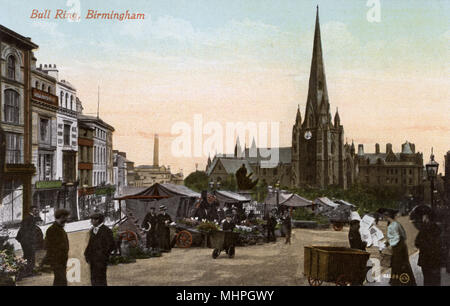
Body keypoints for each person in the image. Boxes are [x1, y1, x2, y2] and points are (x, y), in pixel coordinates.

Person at [382, 209, 416, 286]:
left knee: (397, 264)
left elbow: (396, 237)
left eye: (385, 216)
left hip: (398, 247)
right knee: (403, 263)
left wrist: (390, 243)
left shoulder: (393, 225)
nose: (384, 218)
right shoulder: (396, 224)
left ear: (388, 217)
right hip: (401, 246)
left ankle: (397, 282)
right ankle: (407, 281)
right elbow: (403, 235)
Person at [84, 212, 115, 286]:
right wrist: (87, 254)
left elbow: (111, 245)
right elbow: (90, 244)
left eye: (92, 219)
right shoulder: (92, 231)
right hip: (93, 260)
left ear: (97, 220)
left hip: (101, 260)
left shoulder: (106, 230)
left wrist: (103, 255)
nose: (91, 221)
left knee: (101, 279)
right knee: (93, 278)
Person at [415, 210, 441, 286]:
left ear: (427, 217)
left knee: (427, 279)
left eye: (423, 216)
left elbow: (417, 243)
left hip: (426, 259)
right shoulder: (438, 229)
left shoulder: (423, 229)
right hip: (436, 258)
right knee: (436, 279)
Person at [44, 209, 70, 286]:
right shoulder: (52, 230)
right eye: (64, 219)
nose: (65, 221)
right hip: (56, 260)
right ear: (61, 217)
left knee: (59, 280)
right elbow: (49, 246)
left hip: (62, 260)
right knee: (61, 279)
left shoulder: (60, 228)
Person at [16, 206, 43, 277]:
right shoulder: (29, 218)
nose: (37, 212)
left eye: (37, 210)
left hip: (26, 241)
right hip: (27, 241)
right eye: (35, 210)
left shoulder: (30, 218)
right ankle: (29, 272)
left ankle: (27, 270)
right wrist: (30, 241)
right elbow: (25, 230)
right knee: (30, 256)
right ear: (32, 211)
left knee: (28, 256)